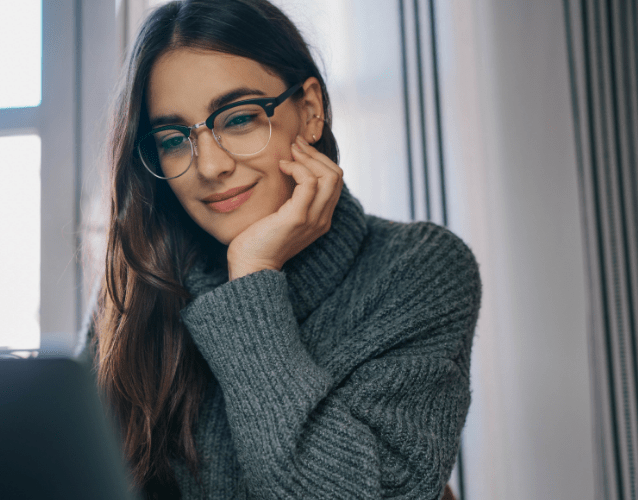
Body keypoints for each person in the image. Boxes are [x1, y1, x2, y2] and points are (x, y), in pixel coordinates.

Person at [75, 0, 481, 498]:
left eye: (239, 119)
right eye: (175, 138)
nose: (209, 165)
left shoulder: (418, 269)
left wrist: (252, 277)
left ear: (310, 111)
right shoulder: (140, 285)